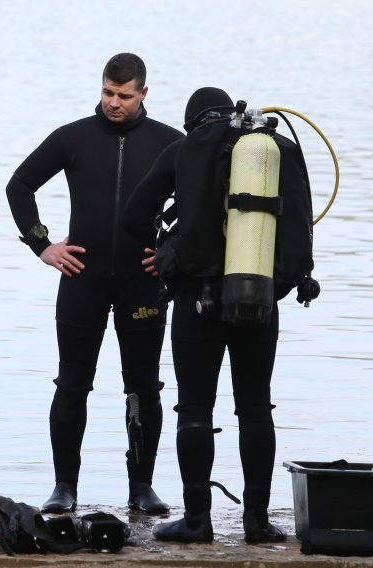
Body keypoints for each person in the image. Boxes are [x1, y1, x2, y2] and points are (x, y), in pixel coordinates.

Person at [121, 87, 315, 543]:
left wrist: (166, 240)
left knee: (194, 408)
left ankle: (196, 521)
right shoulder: (275, 148)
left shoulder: (185, 148)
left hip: (197, 300)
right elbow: (300, 228)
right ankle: (257, 523)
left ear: (194, 122)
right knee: (255, 407)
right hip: (259, 299)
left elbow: (133, 217)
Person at [5, 53, 183, 514]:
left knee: (143, 388)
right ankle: (65, 487)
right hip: (81, 278)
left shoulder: (169, 143)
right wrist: (42, 246)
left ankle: (141, 488)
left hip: (141, 283)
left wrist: (169, 253)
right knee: (72, 384)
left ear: (144, 93)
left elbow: (201, 206)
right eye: (107, 92)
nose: (113, 103)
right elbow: (19, 185)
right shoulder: (73, 137)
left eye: (124, 95)